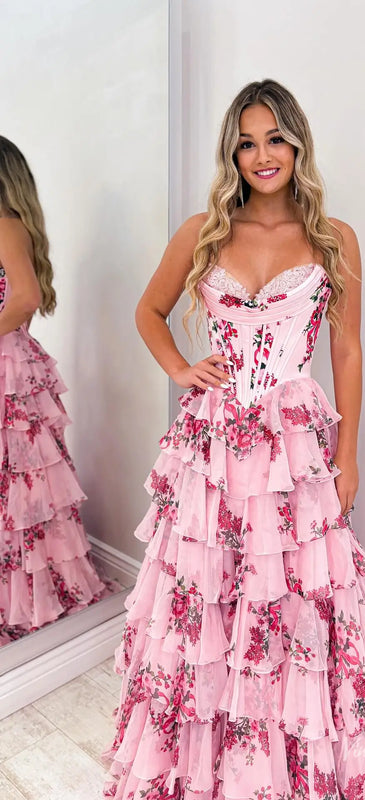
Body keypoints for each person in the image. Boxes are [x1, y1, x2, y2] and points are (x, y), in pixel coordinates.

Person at [104, 80, 365, 800]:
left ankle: (284, 765)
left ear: (297, 144)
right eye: (247, 143)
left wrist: (347, 456)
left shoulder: (333, 238)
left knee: (294, 601)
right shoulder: (204, 230)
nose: (263, 155)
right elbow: (148, 310)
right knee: (207, 595)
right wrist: (180, 369)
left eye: (275, 139)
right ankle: (209, 762)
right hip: (213, 449)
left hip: (293, 455)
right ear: (232, 154)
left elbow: (346, 350)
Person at [0, 136, 107, 644]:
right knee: (19, 484)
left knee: (19, 484)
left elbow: (26, 297)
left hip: (6, 364)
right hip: (11, 360)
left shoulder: (5, 224)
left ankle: (30, 596)